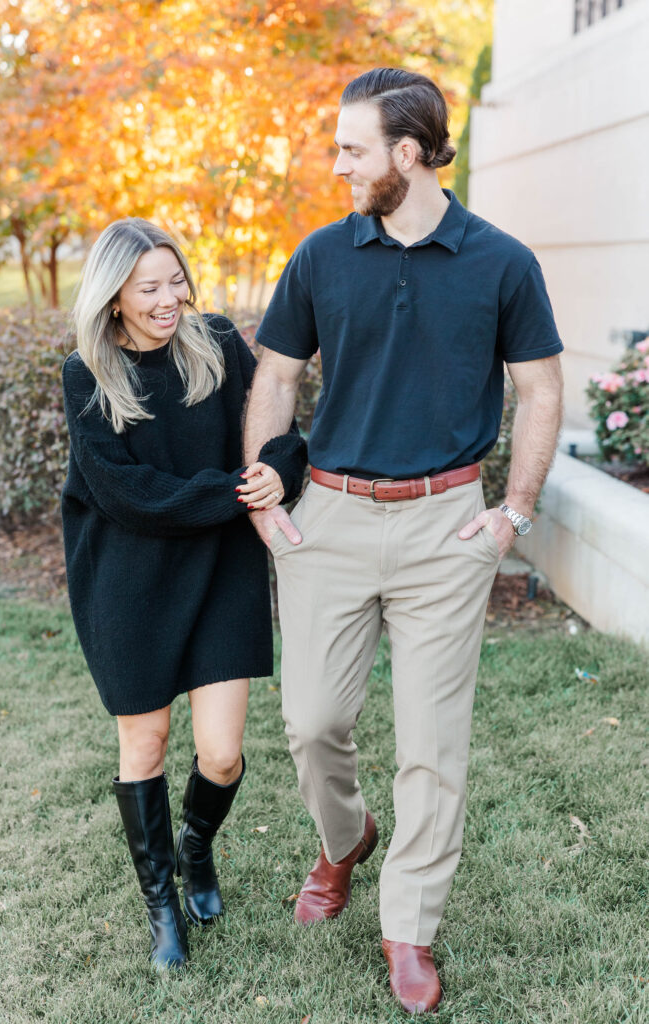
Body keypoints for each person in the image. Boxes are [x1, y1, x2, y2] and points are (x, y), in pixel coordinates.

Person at [243, 68, 564, 1014]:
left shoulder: (500, 261)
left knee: (432, 743)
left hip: (445, 525)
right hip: (329, 518)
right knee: (311, 723)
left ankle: (407, 928)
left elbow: (539, 389)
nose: (336, 163)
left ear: (408, 155)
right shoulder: (320, 254)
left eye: (352, 149)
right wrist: (265, 497)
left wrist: (513, 510)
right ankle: (343, 841)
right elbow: (274, 378)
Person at [61, 218, 306, 971]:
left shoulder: (218, 342)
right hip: (126, 578)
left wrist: (276, 471)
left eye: (176, 281)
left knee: (222, 754)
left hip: (220, 570)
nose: (170, 299)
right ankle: (161, 901)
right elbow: (124, 492)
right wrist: (232, 493)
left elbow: (280, 431)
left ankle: (196, 850)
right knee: (146, 743)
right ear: (112, 298)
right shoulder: (87, 372)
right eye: (149, 288)